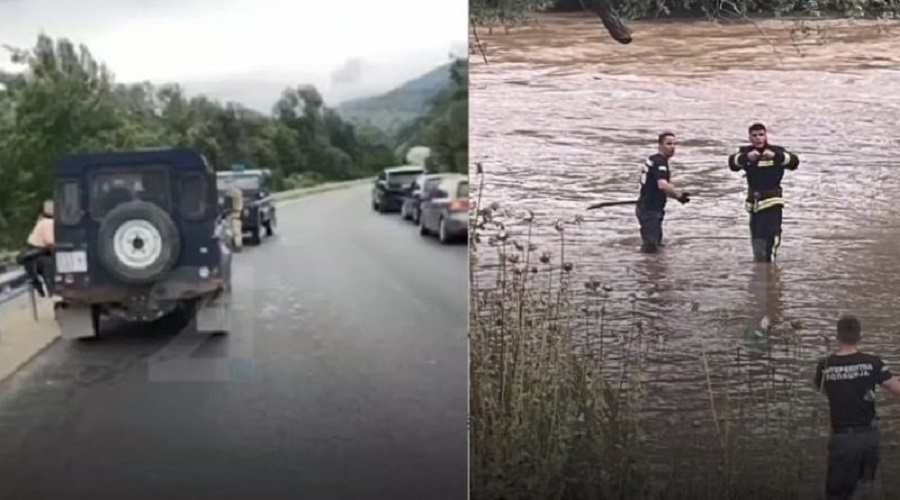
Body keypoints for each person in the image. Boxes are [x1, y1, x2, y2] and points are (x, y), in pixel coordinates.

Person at [814, 315, 900, 500]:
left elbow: (823, 392)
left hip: (842, 438)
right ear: (860, 336)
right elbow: (896, 389)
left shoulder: (825, 365)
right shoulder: (873, 362)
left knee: (838, 494)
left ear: (838, 336)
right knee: (867, 490)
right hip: (868, 436)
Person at [727, 123, 800, 263]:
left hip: (773, 202)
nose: (758, 138)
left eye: (761, 135)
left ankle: (770, 268)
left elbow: (794, 163)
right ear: (749, 137)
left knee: (772, 237)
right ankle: (761, 270)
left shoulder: (776, 151)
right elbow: (732, 164)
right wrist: (746, 157)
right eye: (754, 135)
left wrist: (775, 156)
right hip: (754, 204)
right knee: (757, 239)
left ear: (766, 136)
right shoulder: (745, 152)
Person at [635, 132, 691, 253]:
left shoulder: (652, 159)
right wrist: (678, 195)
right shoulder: (660, 162)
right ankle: (647, 269)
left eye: (675, 144)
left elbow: (658, 185)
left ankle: (648, 267)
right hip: (650, 209)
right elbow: (663, 185)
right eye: (668, 144)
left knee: (655, 245)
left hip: (645, 206)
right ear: (660, 145)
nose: (672, 147)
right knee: (651, 248)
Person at [22, 199, 55, 296]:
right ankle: (52, 290)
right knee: (50, 266)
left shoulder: (42, 221)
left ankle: (47, 288)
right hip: (38, 253)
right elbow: (50, 242)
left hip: (33, 252)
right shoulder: (49, 223)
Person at [228, 183, 244, 252]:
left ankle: (238, 246)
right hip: (236, 214)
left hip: (235, 214)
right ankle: (237, 245)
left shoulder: (236, 194)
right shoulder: (238, 194)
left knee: (236, 232)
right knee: (236, 232)